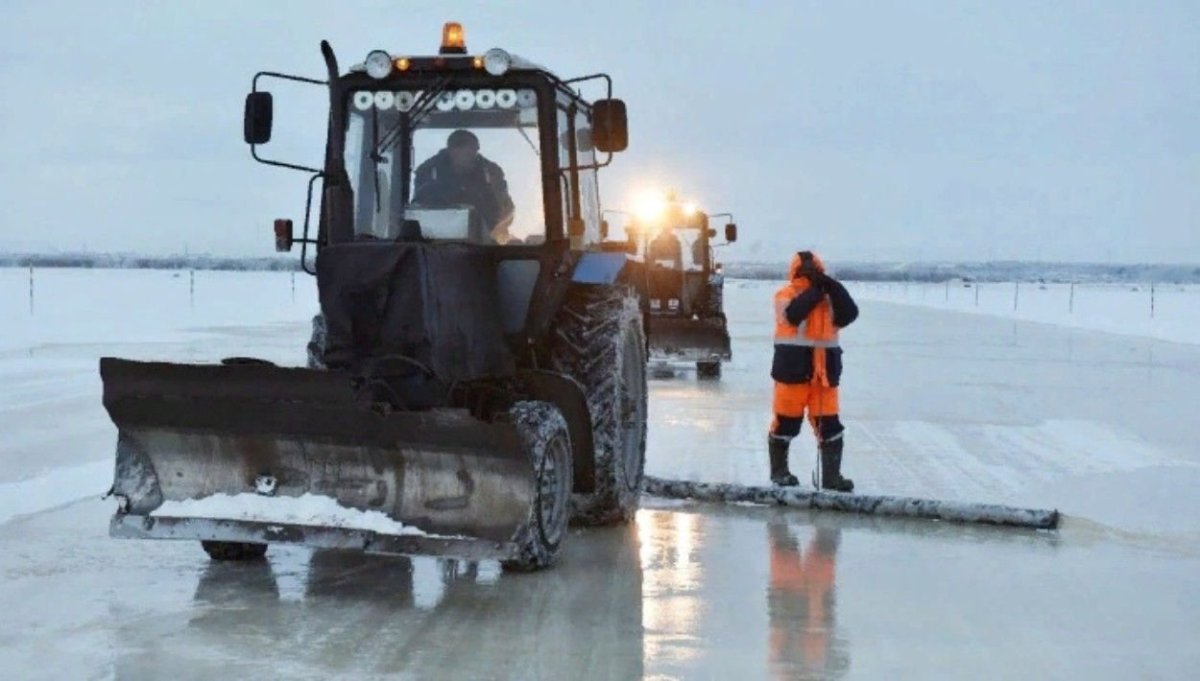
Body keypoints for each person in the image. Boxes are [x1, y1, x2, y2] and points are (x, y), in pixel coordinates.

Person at [769, 251, 859, 490]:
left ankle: (831, 478)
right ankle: (779, 473)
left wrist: (833, 286)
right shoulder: (785, 294)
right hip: (792, 372)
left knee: (830, 426)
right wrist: (817, 290)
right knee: (786, 424)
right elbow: (793, 315)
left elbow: (850, 314)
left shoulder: (830, 296)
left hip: (824, 375)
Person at [412, 129, 515, 241]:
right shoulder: (428, 172)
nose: (474, 156)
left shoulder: (491, 173)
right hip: (434, 243)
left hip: (484, 243)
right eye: (469, 152)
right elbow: (418, 212)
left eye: (475, 151)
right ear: (453, 150)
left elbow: (506, 210)